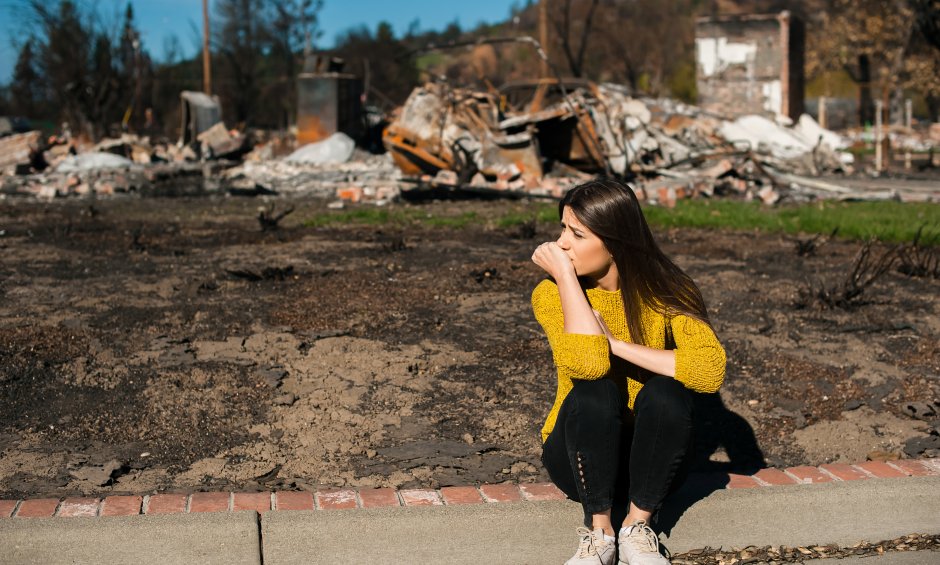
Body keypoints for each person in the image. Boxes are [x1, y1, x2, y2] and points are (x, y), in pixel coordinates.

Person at [530, 178, 726, 565]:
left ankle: (638, 528)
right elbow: (589, 364)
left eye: (577, 233)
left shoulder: (668, 290)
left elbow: (710, 370)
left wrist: (618, 345)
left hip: (652, 466)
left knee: (668, 392)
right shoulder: (551, 293)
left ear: (615, 240)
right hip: (579, 459)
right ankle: (599, 533)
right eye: (563, 229)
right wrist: (568, 279)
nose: (562, 243)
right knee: (595, 391)